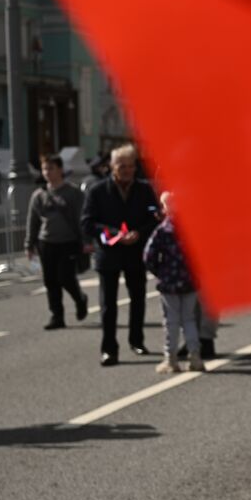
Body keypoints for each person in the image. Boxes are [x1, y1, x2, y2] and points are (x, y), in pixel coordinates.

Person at [82, 144, 162, 366]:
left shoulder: (144, 190)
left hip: (136, 253)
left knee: (138, 299)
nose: (127, 170)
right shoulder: (96, 191)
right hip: (109, 254)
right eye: (121, 166)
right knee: (108, 304)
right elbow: (88, 223)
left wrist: (139, 233)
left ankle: (137, 340)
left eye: (130, 166)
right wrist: (115, 233)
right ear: (111, 167)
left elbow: (154, 219)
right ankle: (109, 349)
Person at [26, 154, 90, 329]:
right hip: (46, 242)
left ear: (60, 170)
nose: (47, 172)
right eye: (45, 169)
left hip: (68, 242)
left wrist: (86, 241)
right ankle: (57, 316)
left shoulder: (74, 193)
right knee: (50, 281)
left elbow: (83, 218)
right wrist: (29, 244)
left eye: (51, 168)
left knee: (65, 277)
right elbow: (33, 221)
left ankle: (80, 299)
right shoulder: (39, 195)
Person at [142, 191, 203, 373]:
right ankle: (195, 356)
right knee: (189, 319)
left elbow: (148, 255)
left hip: (169, 281)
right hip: (190, 280)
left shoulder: (163, 230)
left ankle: (171, 359)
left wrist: (160, 271)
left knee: (171, 321)